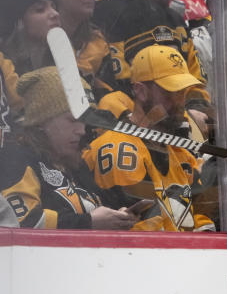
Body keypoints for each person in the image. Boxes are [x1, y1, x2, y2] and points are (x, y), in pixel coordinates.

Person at [83, 45, 214, 231]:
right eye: (171, 93)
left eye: (183, 93)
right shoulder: (119, 148)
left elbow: (194, 218)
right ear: (141, 91)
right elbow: (140, 235)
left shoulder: (179, 153)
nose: (180, 103)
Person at [0, 67, 139, 230]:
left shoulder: (76, 163)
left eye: (83, 121)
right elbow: (21, 223)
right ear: (43, 121)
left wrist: (119, 216)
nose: (81, 130)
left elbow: (103, 210)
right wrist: (89, 222)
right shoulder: (16, 159)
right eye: (72, 120)